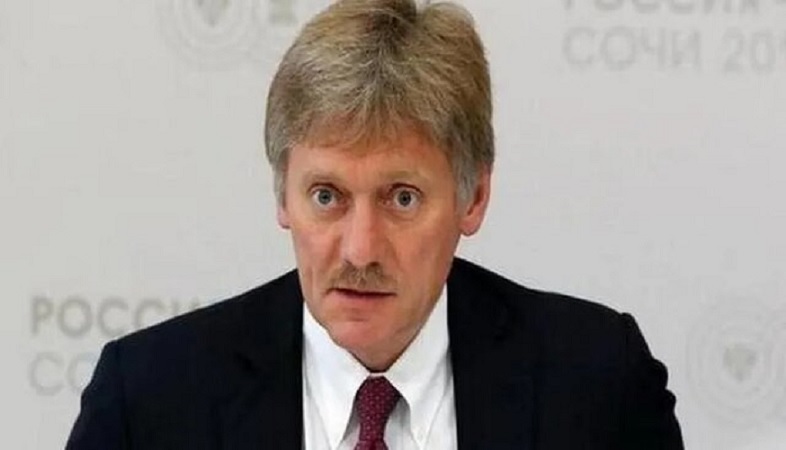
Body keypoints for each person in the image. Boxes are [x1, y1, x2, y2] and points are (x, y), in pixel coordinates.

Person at [66, 0, 684, 449]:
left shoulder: (599, 385)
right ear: (282, 194)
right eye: (327, 196)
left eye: (402, 199)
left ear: (473, 198)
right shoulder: (150, 400)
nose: (360, 251)